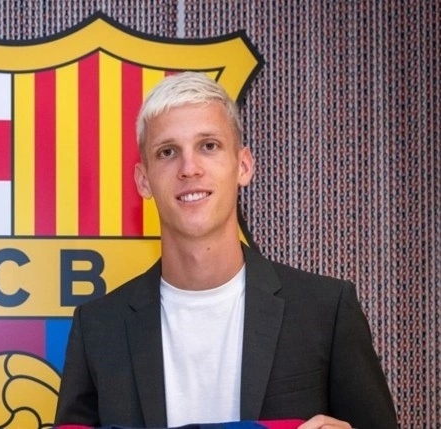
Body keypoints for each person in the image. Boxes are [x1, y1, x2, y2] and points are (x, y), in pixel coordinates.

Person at [54, 72, 397, 429]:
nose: (189, 169)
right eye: (168, 152)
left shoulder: (326, 310)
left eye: (208, 146)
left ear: (243, 166)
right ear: (144, 180)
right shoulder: (98, 328)